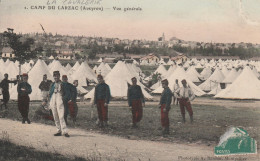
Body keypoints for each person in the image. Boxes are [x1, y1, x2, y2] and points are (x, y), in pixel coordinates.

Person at [49, 71, 69, 137]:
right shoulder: (52, 84)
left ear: (59, 76)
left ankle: (65, 131)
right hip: (53, 98)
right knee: (55, 115)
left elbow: (66, 93)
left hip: (60, 97)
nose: (56, 77)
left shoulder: (62, 84)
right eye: (54, 76)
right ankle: (59, 130)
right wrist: (49, 100)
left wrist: (64, 99)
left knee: (61, 115)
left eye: (57, 76)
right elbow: (50, 93)